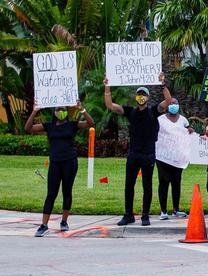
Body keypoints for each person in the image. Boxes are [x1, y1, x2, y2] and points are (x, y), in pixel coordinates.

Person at [104, 74, 172, 226]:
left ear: (148, 98)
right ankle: (128, 214)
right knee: (129, 184)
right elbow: (110, 106)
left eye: (144, 95)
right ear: (136, 97)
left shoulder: (153, 111)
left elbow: (168, 101)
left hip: (148, 154)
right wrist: (107, 88)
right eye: (139, 94)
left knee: (147, 185)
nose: (141, 97)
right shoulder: (130, 112)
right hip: (133, 154)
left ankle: (145, 215)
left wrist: (163, 85)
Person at [25, 100, 93, 236]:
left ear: (67, 111)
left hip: (70, 162)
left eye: (63, 109)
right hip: (55, 163)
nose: (60, 111)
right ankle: (44, 225)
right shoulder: (49, 126)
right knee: (51, 193)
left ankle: (64, 221)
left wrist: (82, 109)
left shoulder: (72, 125)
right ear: (54, 112)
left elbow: (90, 123)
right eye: (58, 109)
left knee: (67, 192)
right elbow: (28, 128)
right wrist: (34, 111)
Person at [156, 98, 195, 219]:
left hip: (178, 157)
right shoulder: (160, 119)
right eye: (171, 103)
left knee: (176, 183)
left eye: (176, 103)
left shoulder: (183, 120)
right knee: (164, 181)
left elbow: (188, 133)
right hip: (163, 157)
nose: (173, 105)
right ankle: (163, 211)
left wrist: (190, 131)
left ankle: (176, 209)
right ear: (167, 105)